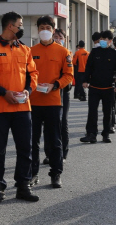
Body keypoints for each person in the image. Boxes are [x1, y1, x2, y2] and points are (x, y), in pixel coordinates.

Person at [0, 11, 39, 203]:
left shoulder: (25, 49)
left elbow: (33, 73)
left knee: (25, 149)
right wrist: (4, 93)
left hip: (23, 108)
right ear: (10, 26)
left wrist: (29, 90)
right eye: (20, 25)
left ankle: (23, 185)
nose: (22, 28)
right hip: (0, 108)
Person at [29, 17, 73, 188]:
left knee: (54, 140)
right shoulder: (30, 51)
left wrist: (55, 85)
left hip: (54, 102)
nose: (45, 30)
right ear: (38, 30)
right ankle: (32, 174)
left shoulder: (63, 52)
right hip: (33, 102)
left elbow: (69, 76)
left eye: (48, 27)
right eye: (41, 27)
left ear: (53, 30)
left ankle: (56, 173)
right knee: (32, 141)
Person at [81, 30, 116, 144]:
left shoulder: (115, 54)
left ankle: (106, 134)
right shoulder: (94, 52)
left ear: (110, 41)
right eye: (101, 39)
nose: (103, 42)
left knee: (107, 112)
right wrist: (85, 81)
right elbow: (88, 68)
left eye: (105, 40)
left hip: (108, 88)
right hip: (94, 87)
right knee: (92, 112)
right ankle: (91, 134)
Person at [44, 28, 73, 164]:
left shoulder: (67, 53)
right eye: (55, 36)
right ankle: (49, 153)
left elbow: (69, 74)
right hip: (46, 93)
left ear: (64, 39)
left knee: (62, 123)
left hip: (62, 92)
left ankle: (63, 153)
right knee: (48, 124)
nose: (56, 38)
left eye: (59, 36)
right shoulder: (43, 51)